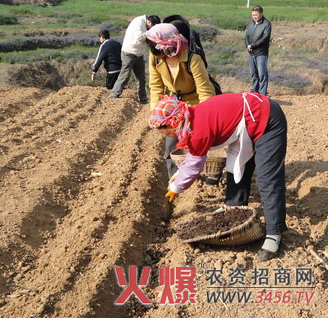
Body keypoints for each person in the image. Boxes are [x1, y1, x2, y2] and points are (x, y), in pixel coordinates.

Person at [150, 93, 287, 261]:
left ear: (174, 122)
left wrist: (175, 188)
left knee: (267, 179)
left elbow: (194, 166)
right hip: (247, 118)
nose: (166, 135)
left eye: (164, 131)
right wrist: (178, 175)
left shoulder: (198, 130)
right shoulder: (191, 118)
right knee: (237, 166)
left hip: (266, 118)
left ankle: (274, 233)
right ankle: (233, 208)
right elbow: (192, 156)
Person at [146, 23, 216, 178]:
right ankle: (175, 179)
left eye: (157, 49)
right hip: (173, 107)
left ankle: (202, 178)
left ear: (167, 45)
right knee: (171, 148)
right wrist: (156, 114)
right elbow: (156, 86)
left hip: (195, 104)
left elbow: (204, 91)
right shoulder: (155, 58)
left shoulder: (193, 59)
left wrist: (202, 120)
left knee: (198, 145)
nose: (156, 53)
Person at [109, 15, 160, 103]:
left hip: (139, 54)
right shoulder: (138, 22)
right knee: (125, 74)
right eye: (153, 27)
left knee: (141, 77)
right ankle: (114, 94)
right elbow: (139, 37)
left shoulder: (145, 25)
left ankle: (143, 98)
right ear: (149, 22)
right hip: (129, 52)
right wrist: (151, 34)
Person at [245, 5, 271, 96]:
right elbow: (247, 36)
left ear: (261, 14)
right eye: (253, 15)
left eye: (256, 15)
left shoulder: (266, 24)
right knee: (253, 73)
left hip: (261, 53)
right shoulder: (251, 24)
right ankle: (254, 91)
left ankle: (262, 93)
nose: (254, 17)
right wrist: (247, 45)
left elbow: (265, 38)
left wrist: (253, 45)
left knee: (262, 74)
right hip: (251, 52)